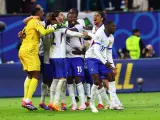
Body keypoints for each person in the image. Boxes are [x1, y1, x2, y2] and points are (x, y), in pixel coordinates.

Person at [19, 7, 56, 111]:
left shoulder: (29, 23)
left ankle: (25, 99)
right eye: (42, 12)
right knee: (36, 74)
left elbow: (21, 34)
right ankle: (27, 101)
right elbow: (44, 32)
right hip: (30, 51)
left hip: (23, 50)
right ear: (38, 13)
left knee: (30, 75)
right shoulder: (35, 21)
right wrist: (55, 27)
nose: (43, 13)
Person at [48, 10, 86, 111]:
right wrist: (84, 34)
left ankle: (52, 102)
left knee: (56, 79)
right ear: (56, 18)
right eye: (62, 15)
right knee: (63, 79)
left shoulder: (50, 26)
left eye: (74, 17)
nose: (64, 16)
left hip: (54, 55)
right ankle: (55, 103)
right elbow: (70, 33)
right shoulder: (61, 26)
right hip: (61, 56)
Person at [85, 21, 122, 113]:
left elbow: (109, 52)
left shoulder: (111, 38)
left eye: (115, 26)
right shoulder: (99, 34)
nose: (114, 28)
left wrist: (113, 66)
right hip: (91, 58)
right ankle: (92, 103)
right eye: (112, 26)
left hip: (101, 59)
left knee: (111, 77)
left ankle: (113, 103)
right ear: (106, 26)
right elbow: (96, 51)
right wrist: (106, 63)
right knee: (97, 81)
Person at [66, 12, 86, 111]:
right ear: (67, 18)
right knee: (69, 80)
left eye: (74, 17)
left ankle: (82, 103)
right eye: (70, 17)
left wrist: (63, 29)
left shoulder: (79, 25)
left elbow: (70, 31)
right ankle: (74, 104)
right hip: (67, 58)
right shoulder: (64, 26)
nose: (73, 18)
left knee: (78, 79)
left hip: (77, 58)